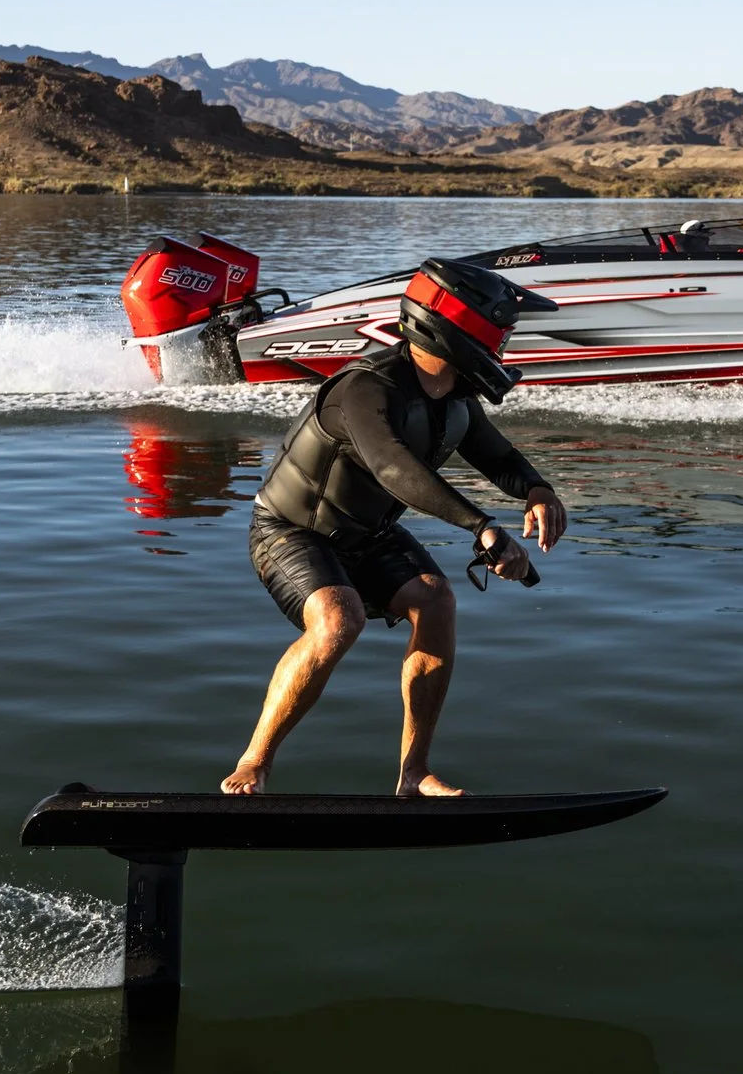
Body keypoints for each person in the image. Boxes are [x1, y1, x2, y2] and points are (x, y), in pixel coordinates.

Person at [225, 258, 566, 797]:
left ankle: (414, 774)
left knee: (436, 601)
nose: (504, 345)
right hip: (291, 531)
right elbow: (395, 470)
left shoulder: (453, 397)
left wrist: (537, 489)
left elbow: (496, 455)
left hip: (368, 533)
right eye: (501, 332)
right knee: (340, 619)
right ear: (458, 327)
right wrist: (481, 526)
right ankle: (254, 762)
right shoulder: (366, 389)